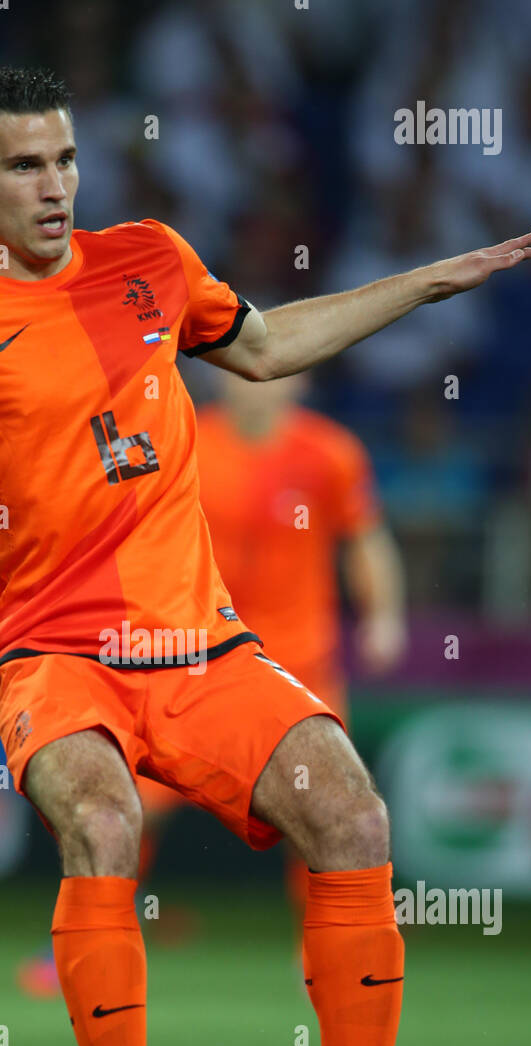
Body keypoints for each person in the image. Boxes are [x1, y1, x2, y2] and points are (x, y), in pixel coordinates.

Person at [0, 66, 531, 1046]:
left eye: (63, 160)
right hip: (53, 651)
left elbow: (259, 347)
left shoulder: (150, 256)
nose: (53, 187)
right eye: (22, 166)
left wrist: (425, 285)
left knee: (351, 814)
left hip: (199, 647)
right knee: (101, 823)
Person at [137, 370, 406, 917]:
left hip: (298, 661)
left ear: (299, 379)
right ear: (221, 379)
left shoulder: (330, 452)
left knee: (326, 808)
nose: (255, 382)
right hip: (196, 652)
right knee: (133, 802)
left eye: (271, 370)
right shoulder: (184, 440)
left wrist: (384, 617)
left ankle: (326, 951)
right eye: (240, 370)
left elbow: (365, 537)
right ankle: (95, 930)